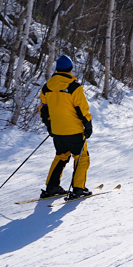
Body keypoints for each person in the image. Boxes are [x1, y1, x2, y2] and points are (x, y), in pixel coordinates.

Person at [39, 54, 93, 199]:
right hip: (74, 130)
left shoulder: (47, 87)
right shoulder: (74, 87)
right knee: (82, 157)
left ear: (57, 69)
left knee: (61, 156)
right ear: (70, 69)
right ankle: (78, 189)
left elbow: (44, 109)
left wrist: (49, 124)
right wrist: (88, 125)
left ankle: (52, 187)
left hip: (57, 130)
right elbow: (82, 109)